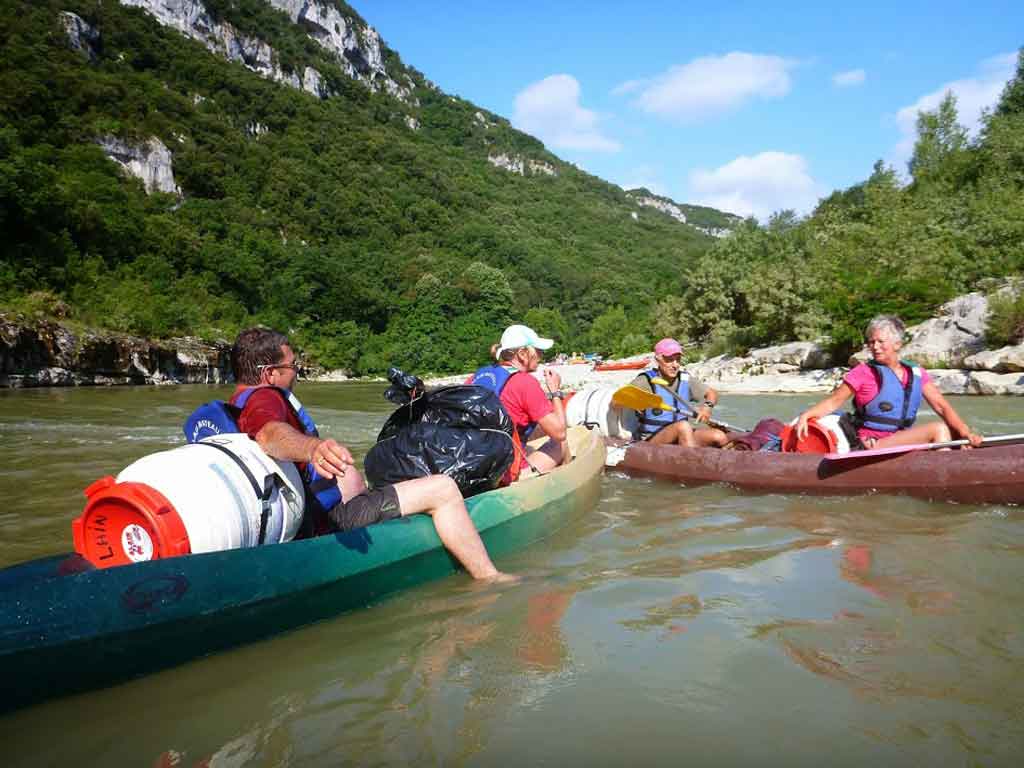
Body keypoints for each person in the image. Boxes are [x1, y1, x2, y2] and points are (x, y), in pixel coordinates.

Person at [229, 327, 512, 581]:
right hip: (327, 523)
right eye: (292, 366)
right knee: (443, 488)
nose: (296, 373)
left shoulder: (234, 405)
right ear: (269, 373)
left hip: (312, 511)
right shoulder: (263, 399)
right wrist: (312, 448)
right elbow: (270, 434)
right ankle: (490, 578)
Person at [794, 315, 983, 449]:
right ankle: (944, 477)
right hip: (871, 443)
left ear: (897, 344)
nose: (874, 347)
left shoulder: (917, 373)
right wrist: (806, 416)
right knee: (938, 429)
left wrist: (965, 433)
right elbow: (834, 401)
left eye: (880, 341)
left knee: (953, 432)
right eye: (871, 342)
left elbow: (942, 407)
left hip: (900, 439)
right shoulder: (863, 372)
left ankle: (954, 458)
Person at [469, 324, 571, 481]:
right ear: (523, 354)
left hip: (474, 465)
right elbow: (560, 433)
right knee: (561, 444)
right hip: (505, 473)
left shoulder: (477, 377)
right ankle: (567, 484)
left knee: (528, 445)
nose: (541, 355)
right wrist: (555, 392)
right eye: (538, 351)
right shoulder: (525, 383)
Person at [630, 338, 728, 447]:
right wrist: (635, 402)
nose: (675, 365)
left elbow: (711, 393)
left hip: (683, 432)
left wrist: (707, 407)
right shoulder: (645, 381)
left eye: (678, 360)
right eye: (669, 360)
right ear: (658, 359)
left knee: (719, 436)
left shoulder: (685, 379)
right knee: (683, 427)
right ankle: (693, 461)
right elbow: (617, 402)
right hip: (652, 438)